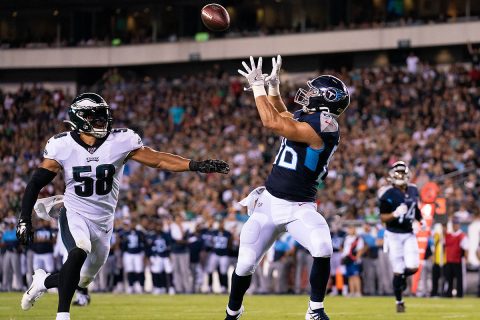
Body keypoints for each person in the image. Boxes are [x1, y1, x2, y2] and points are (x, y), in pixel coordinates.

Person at [16, 92, 229, 320]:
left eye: (102, 116)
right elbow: (36, 182)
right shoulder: (62, 145)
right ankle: (62, 316)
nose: (101, 121)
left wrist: (195, 164)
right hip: (74, 211)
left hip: (104, 222)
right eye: (94, 117)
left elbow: (158, 159)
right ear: (79, 119)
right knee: (78, 252)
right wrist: (24, 219)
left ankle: (42, 282)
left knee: (83, 279)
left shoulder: (120, 141)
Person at [225, 55, 350, 320]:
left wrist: (257, 87)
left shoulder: (326, 126)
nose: (308, 94)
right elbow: (283, 115)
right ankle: (232, 313)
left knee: (322, 246)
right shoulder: (310, 119)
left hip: (299, 207)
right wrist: (273, 88)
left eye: (315, 92)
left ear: (326, 100)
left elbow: (273, 122)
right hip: (269, 204)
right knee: (245, 264)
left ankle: (315, 310)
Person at [378, 161, 422, 313]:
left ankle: (402, 278)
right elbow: (383, 218)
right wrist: (395, 213)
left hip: (408, 233)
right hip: (393, 234)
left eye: (402, 173)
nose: (400, 176)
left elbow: (416, 208)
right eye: (398, 173)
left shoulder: (414, 190)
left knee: (414, 266)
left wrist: (419, 221)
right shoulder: (387, 193)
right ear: (392, 175)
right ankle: (399, 301)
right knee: (398, 269)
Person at [443, 218, 468, 298]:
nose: (455, 226)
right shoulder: (448, 235)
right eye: (454, 224)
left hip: (458, 260)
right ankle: (448, 294)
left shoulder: (462, 235)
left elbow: (466, 248)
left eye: (456, 224)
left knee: (459, 279)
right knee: (448, 278)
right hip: (449, 260)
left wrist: (466, 259)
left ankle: (459, 294)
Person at [120, 219, 146, 294]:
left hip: (138, 253)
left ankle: (140, 285)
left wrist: (143, 253)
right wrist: (123, 253)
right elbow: (123, 244)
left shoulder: (140, 233)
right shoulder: (125, 233)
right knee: (130, 270)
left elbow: (143, 243)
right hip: (128, 253)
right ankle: (131, 285)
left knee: (139, 270)